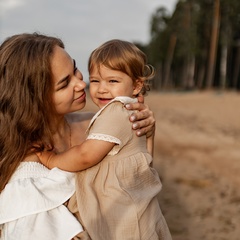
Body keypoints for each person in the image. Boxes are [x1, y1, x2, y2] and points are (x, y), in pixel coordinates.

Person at [0, 33, 156, 240]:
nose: (82, 84)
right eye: (64, 84)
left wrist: (147, 134)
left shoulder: (100, 125)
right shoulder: (27, 169)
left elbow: (141, 181)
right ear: (35, 99)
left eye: (75, 69)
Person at [38, 39, 172, 240]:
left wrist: (50, 160)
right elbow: (145, 160)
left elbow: (85, 155)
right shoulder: (117, 114)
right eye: (96, 81)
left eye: (113, 81)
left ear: (137, 86)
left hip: (124, 219)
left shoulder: (118, 111)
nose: (101, 89)